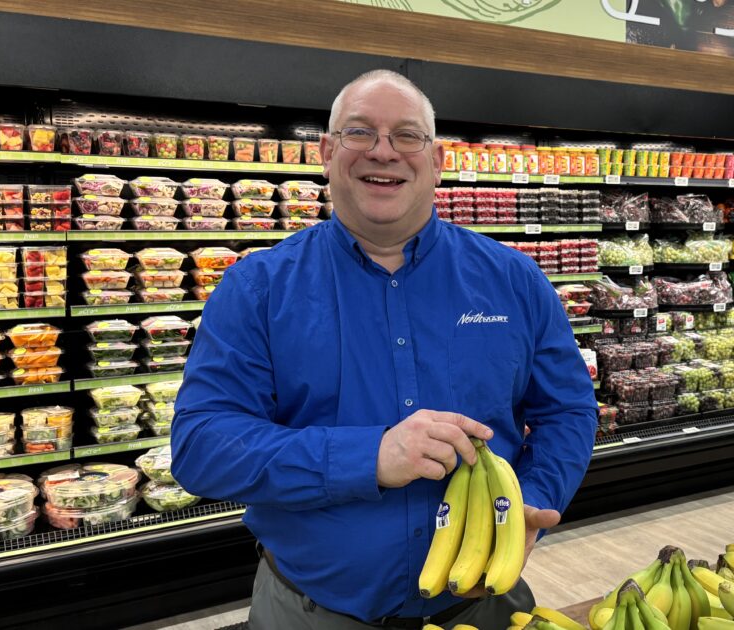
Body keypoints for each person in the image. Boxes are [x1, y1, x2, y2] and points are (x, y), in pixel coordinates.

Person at [172, 69, 598, 629]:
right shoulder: (257, 288)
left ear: (437, 160)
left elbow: (568, 410)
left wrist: (529, 502)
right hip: (310, 613)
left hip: (484, 607)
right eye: (359, 132)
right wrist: (370, 457)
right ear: (327, 153)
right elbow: (202, 445)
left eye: (406, 135)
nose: (383, 151)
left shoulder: (514, 280)